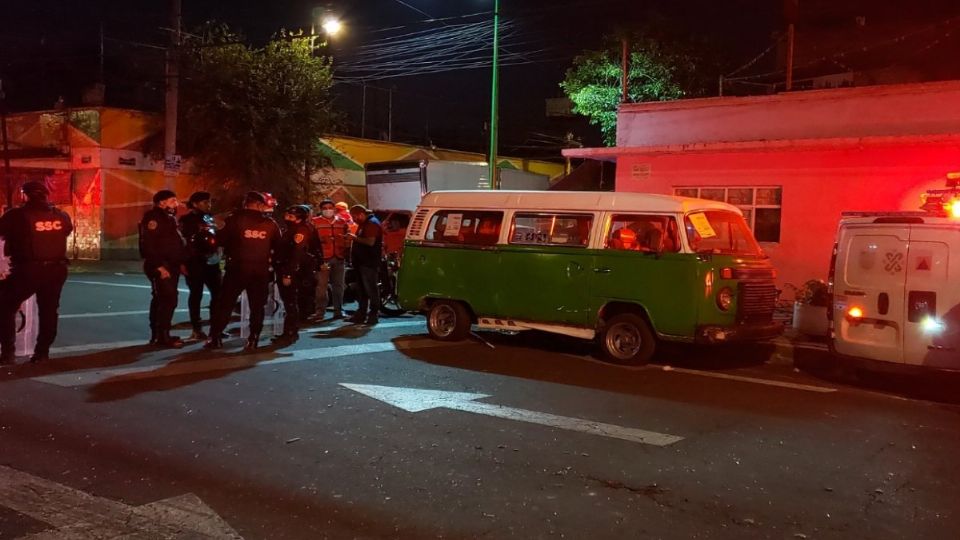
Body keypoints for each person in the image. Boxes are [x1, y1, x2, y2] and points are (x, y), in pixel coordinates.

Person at [0, 180, 73, 364]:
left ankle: (8, 353)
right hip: (57, 269)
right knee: (49, 311)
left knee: (4, 306)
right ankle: (42, 353)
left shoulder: (16, 215)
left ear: (25, 195)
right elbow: (66, 231)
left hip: (29, 269)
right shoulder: (61, 215)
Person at [205, 191, 282, 351]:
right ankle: (253, 339)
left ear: (247, 203)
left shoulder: (234, 220)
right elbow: (279, 248)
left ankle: (215, 337)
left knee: (225, 304)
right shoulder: (271, 224)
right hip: (260, 271)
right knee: (257, 307)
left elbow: (220, 240)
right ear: (259, 205)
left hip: (237, 269)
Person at [139, 189, 187, 348]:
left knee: (165, 299)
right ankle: (161, 335)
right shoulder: (153, 218)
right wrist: (159, 266)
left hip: (171, 264)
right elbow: (149, 244)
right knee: (167, 298)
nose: (176, 203)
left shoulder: (169, 218)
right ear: (162, 203)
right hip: (161, 265)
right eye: (172, 200)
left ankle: (161, 333)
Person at [178, 191, 222, 340]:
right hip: (195, 262)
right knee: (196, 295)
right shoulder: (186, 220)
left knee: (218, 294)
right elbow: (184, 243)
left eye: (209, 202)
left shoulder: (210, 218)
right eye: (204, 202)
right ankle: (197, 329)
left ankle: (216, 328)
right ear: (195, 204)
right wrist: (183, 262)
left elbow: (215, 237)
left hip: (212, 262)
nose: (208, 205)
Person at [273, 205, 312, 344]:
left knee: (290, 302)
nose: (286, 218)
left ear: (298, 219)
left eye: (291, 216)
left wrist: (288, 274)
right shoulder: (291, 229)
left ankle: (290, 332)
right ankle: (288, 330)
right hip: (284, 268)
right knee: (289, 302)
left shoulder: (301, 230)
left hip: (291, 271)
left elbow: (296, 254)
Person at [310, 199, 348, 321]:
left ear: (334, 209)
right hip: (323, 259)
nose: (328, 210)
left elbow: (347, 238)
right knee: (321, 286)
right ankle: (320, 311)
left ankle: (338, 310)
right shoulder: (314, 222)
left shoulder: (342, 222)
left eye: (330, 207)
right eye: (325, 208)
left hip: (339, 257)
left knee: (339, 286)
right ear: (321, 210)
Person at [346, 204, 383, 325]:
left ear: (361, 214)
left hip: (368, 262)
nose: (353, 219)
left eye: (354, 216)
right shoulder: (364, 224)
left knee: (371, 289)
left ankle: (373, 314)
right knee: (362, 289)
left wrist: (354, 238)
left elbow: (370, 242)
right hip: (362, 262)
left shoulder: (371, 223)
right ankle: (361, 313)